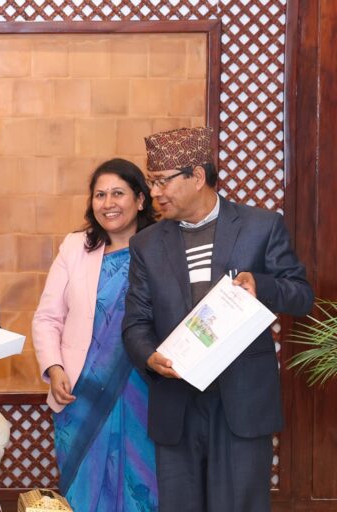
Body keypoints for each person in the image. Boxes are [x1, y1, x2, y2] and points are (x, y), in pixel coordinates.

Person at [123, 127, 314, 512]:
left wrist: (262, 285)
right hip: (176, 401)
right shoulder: (146, 243)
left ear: (196, 176)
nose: (154, 193)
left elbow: (301, 295)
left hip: (241, 402)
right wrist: (149, 356)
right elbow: (135, 322)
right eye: (151, 182)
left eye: (161, 181)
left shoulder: (261, 227)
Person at [33, 158, 159, 511]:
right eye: (100, 194)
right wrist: (55, 367)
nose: (108, 203)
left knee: (141, 485)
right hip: (81, 392)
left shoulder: (161, 249)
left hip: (144, 391)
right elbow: (47, 317)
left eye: (118, 193)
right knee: (86, 489)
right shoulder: (75, 247)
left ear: (140, 199)